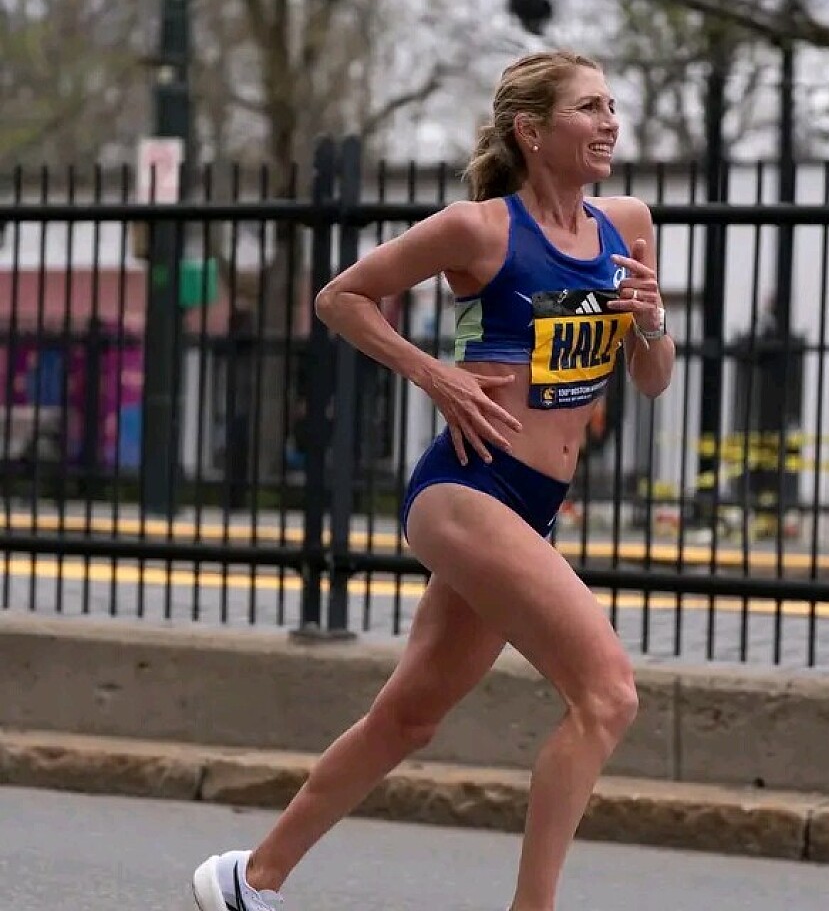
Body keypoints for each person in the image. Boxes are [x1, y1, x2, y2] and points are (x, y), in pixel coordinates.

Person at [191, 49, 674, 911]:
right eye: (589, 108)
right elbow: (341, 297)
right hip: (467, 489)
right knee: (606, 696)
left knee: (408, 718)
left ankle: (249, 879)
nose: (610, 123)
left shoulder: (627, 225)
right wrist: (435, 374)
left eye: (611, 106)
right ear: (532, 132)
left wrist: (651, 324)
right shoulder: (478, 230)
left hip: (536, 507)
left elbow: (652, 380)